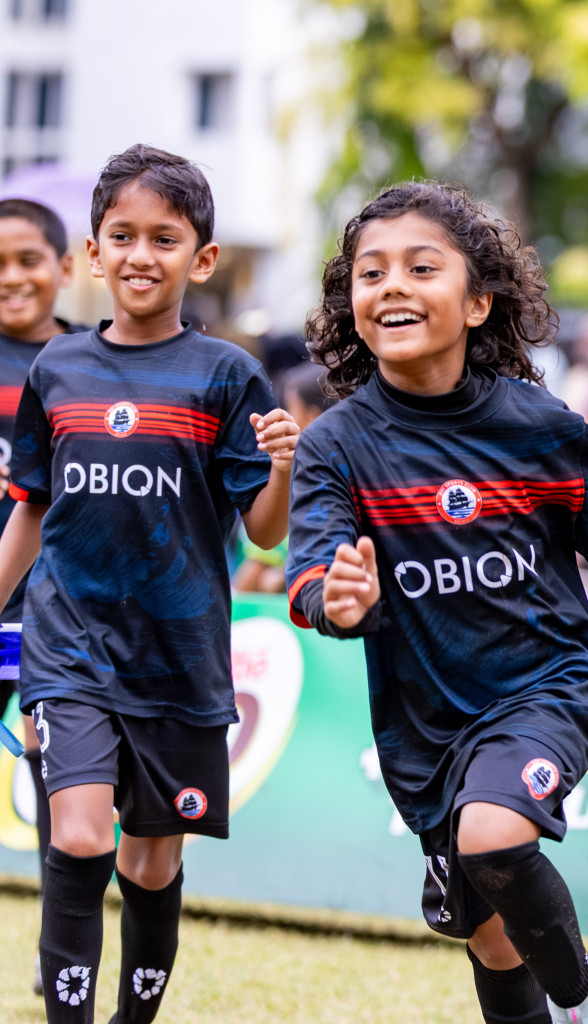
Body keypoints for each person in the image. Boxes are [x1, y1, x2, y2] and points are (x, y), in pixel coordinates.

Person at [285, 181, 588, 1024]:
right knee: (493, 938)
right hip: (425, 721)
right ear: (349, 305)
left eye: (420, 267)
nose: (391, 285)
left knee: (495, 839)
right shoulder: (336, 443)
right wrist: (337, 599)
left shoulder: (538, 426)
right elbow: (306, 577)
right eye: (370, 274)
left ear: (478, 302)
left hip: (549, 686)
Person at [0, 145, 298, 1024]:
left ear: (200, 258)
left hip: (179, 662)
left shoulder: (226, 375)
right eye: (121, 236)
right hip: (68, 649)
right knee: (82, 839)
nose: (139, 254)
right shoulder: (58, 372)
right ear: (93, 253)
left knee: (150, 865)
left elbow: (266, 532)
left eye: (163, 238)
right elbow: (28, 511)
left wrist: (280, 467)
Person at [0, 195, 77, 997]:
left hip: (55, 610)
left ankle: (58, 951)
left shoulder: (89, 364)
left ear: (64, 266)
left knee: (55, 770)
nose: (11, 279)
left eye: (27, 260)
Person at [233, 365, 337, 594]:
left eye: (290, 408)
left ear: (313, 417)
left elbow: (256, 569)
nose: (283, 415)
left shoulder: (298, 481)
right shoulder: (351, 471)